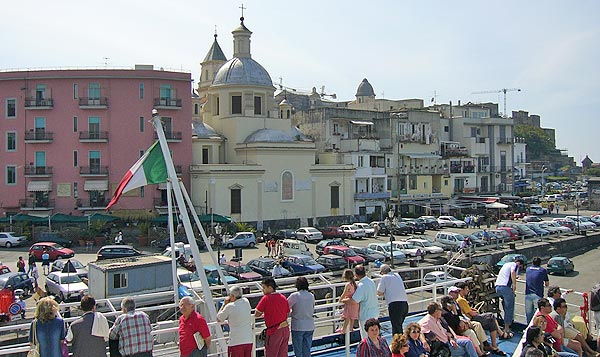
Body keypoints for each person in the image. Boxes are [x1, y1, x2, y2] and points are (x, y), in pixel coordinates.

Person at [455, 282, 508, 347]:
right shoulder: (461, 300)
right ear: (462, 290)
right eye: (466, 288)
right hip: (470, 318)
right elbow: (472, 314)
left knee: (491, 320)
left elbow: (467, 309)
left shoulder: (461, 299)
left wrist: (472, 310)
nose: (468, 290)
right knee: (491, 317)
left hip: (469, 317)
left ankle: (498, 337)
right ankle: (499, 335)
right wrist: (476, 312)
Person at [255, 277, 290, 357]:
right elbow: (287, 312)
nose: (262, 290)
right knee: (283, 353)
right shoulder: (283, 297)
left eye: (264, 288)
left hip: (273, 330)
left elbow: (257, 313)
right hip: (285, 329)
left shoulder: (266, 298)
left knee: (271, 353)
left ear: (270, 288)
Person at [343, 265, 378, 339]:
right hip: (374, 313)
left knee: (366, 338)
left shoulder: (361, 285)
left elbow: (354, 301)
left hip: (366, 316)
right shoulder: (371, 281)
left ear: (356, 274)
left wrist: (344, 300)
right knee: (374, 338)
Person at [216, 285, 253, 357]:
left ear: (232, 296)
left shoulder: (230, 307)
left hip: (236, 341)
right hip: (248, 340)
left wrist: (224, 304)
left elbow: (219, 318)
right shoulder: (246, 301)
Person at [495, 258, 525, 334]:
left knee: (505, 304)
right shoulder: (514, 265)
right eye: (520, 267)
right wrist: (514, 284)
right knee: (509, 308)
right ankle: (507, 328)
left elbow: (506, 274)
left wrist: (515, 277)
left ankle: (505, 322)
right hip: (505, 287)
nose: (519, 269)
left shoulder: (506, 264)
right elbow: (512, 272)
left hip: (498, 287)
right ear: (519, 264)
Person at [377, 264, 409, 335]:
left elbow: (380, 292)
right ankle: (400, 343)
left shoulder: (384, 277)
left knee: (396, 328)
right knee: (399, 326)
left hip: (395, 305)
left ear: (383, 272)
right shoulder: (397, 275)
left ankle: (398, 344)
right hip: (405, 304)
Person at [287, 277, 315, 357]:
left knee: (298, 351)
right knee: (307, 350)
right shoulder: (311, 295)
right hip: (309, 325)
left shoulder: (294, 296)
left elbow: (285, 307)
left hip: (298, 326)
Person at [526, 257, 550, 324]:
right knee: (537, 315)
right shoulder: (542, 270)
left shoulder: (528, 269)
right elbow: (547, 283)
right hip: (538, 294)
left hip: (528, 294)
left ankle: (529, 328)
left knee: (528, 314)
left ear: (532, 263)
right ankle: (536, 329)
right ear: (540, 263)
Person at [338, 269, 359, 334]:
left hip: (349, 302)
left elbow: (344, 294)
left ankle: (343, 329)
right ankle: (351, 328)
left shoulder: (348, 284)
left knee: (347, 316)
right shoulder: (354, 284)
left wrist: (340, 300)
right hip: (355, 303)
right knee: (352, 317)